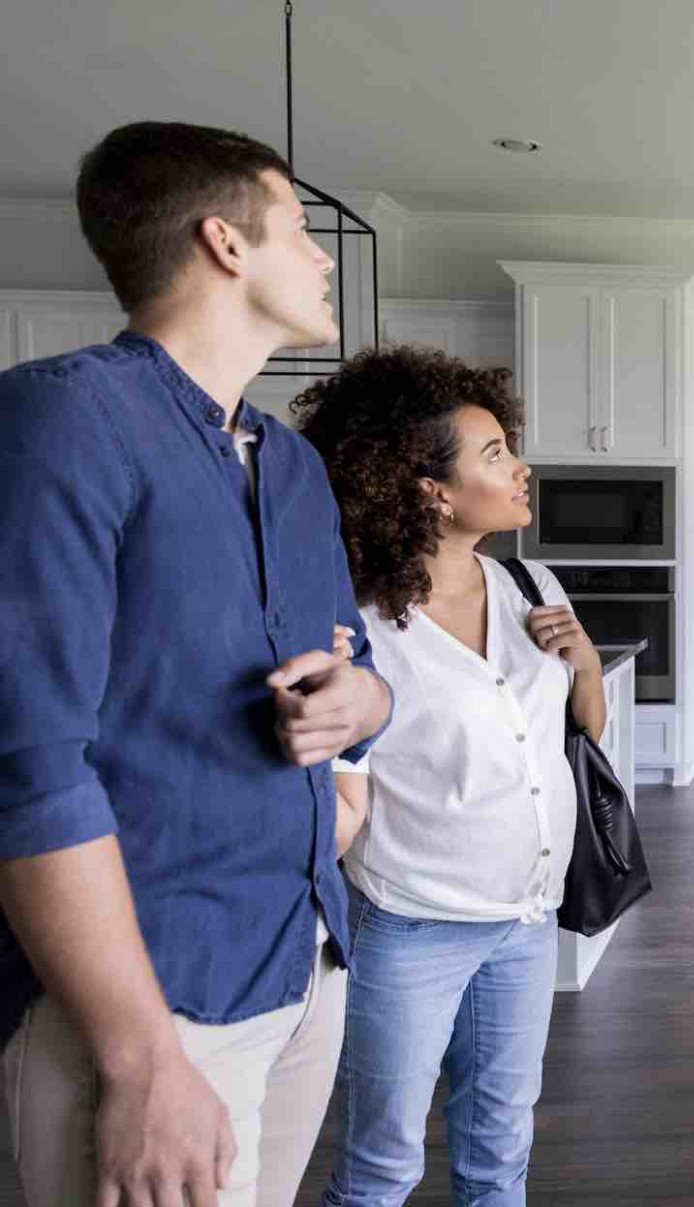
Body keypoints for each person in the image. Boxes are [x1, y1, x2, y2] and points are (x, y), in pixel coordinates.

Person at [0, 122, 393, 1207]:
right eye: (302, 229)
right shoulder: (63, 418)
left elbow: (352, 682)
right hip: (149, 1004)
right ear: (226, 240)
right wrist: (141, 1059)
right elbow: (30, 769)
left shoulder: (296, 462)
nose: (322, 259)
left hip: (302, 966)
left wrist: (366, 700)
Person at [293, 346, 606, 1206]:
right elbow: (334, 782)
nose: (521, 464)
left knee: (501, 1153)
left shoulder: (529, 582)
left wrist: (584, 666)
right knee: (382, 1165)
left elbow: (581, 732)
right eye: (495, 451)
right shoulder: (357, 622)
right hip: (412, 927)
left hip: (527, 921)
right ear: (430, 489)